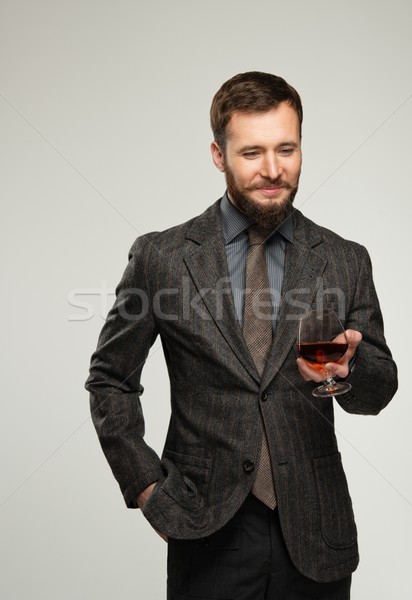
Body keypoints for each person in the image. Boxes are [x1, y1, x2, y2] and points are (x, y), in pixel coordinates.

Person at [86, 71, 397, 599]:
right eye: (252, 152)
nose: (273, 170)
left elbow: (379, 390)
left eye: (287, 149)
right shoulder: (162, 258)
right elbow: (109, 380)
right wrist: (146, 487)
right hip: (205, 529)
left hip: (317, 535)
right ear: (218, 155)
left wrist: (348, 372)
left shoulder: (345, 260)